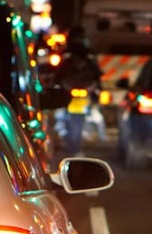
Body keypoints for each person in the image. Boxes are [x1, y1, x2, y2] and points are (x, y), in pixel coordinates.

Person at [55, 26, 103, 156]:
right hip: (74, 89)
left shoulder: (67, 52)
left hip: (73, 89)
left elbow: (57, 72)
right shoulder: (87, 53)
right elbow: (97, 73)